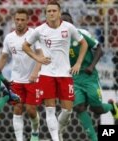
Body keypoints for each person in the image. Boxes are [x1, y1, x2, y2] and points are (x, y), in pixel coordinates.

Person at [22, 1, 88, 141]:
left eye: (54, 10)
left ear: (59, 12)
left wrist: (78, 63)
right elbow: (26, 46)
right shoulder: (40, 30)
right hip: (47, 74)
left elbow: (84, 43)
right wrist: (37, 58)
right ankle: (55, 139)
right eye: (48, 11)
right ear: (46, 13)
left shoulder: (69, 28)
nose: (51, 13)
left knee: (68, 110)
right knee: (50, 109)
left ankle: (59, 132)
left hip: (65, 73)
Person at [61, 12, 118, 141]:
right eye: (62, 22)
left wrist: (91, 66)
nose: (65, 25)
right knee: (78, 107)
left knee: (96, 108)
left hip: (89, 76)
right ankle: (94, 138)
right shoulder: (58, 39)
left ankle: (112, 106)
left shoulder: (82, 34)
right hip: (73, 78)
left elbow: (99, 49)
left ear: (72, 24)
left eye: (67, 22)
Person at [0, 8, 42, 141]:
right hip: (16, 79)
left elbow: (41, 54)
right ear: (13, 20)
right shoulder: (9, 38)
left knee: (31, 110)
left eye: (22, 20)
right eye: (17, 19)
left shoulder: (34, 34)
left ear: (27, 20)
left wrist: (35, 72)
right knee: (17, 109)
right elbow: (4, 57)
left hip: (32, 80)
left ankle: (35, 132)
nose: (19, 22)